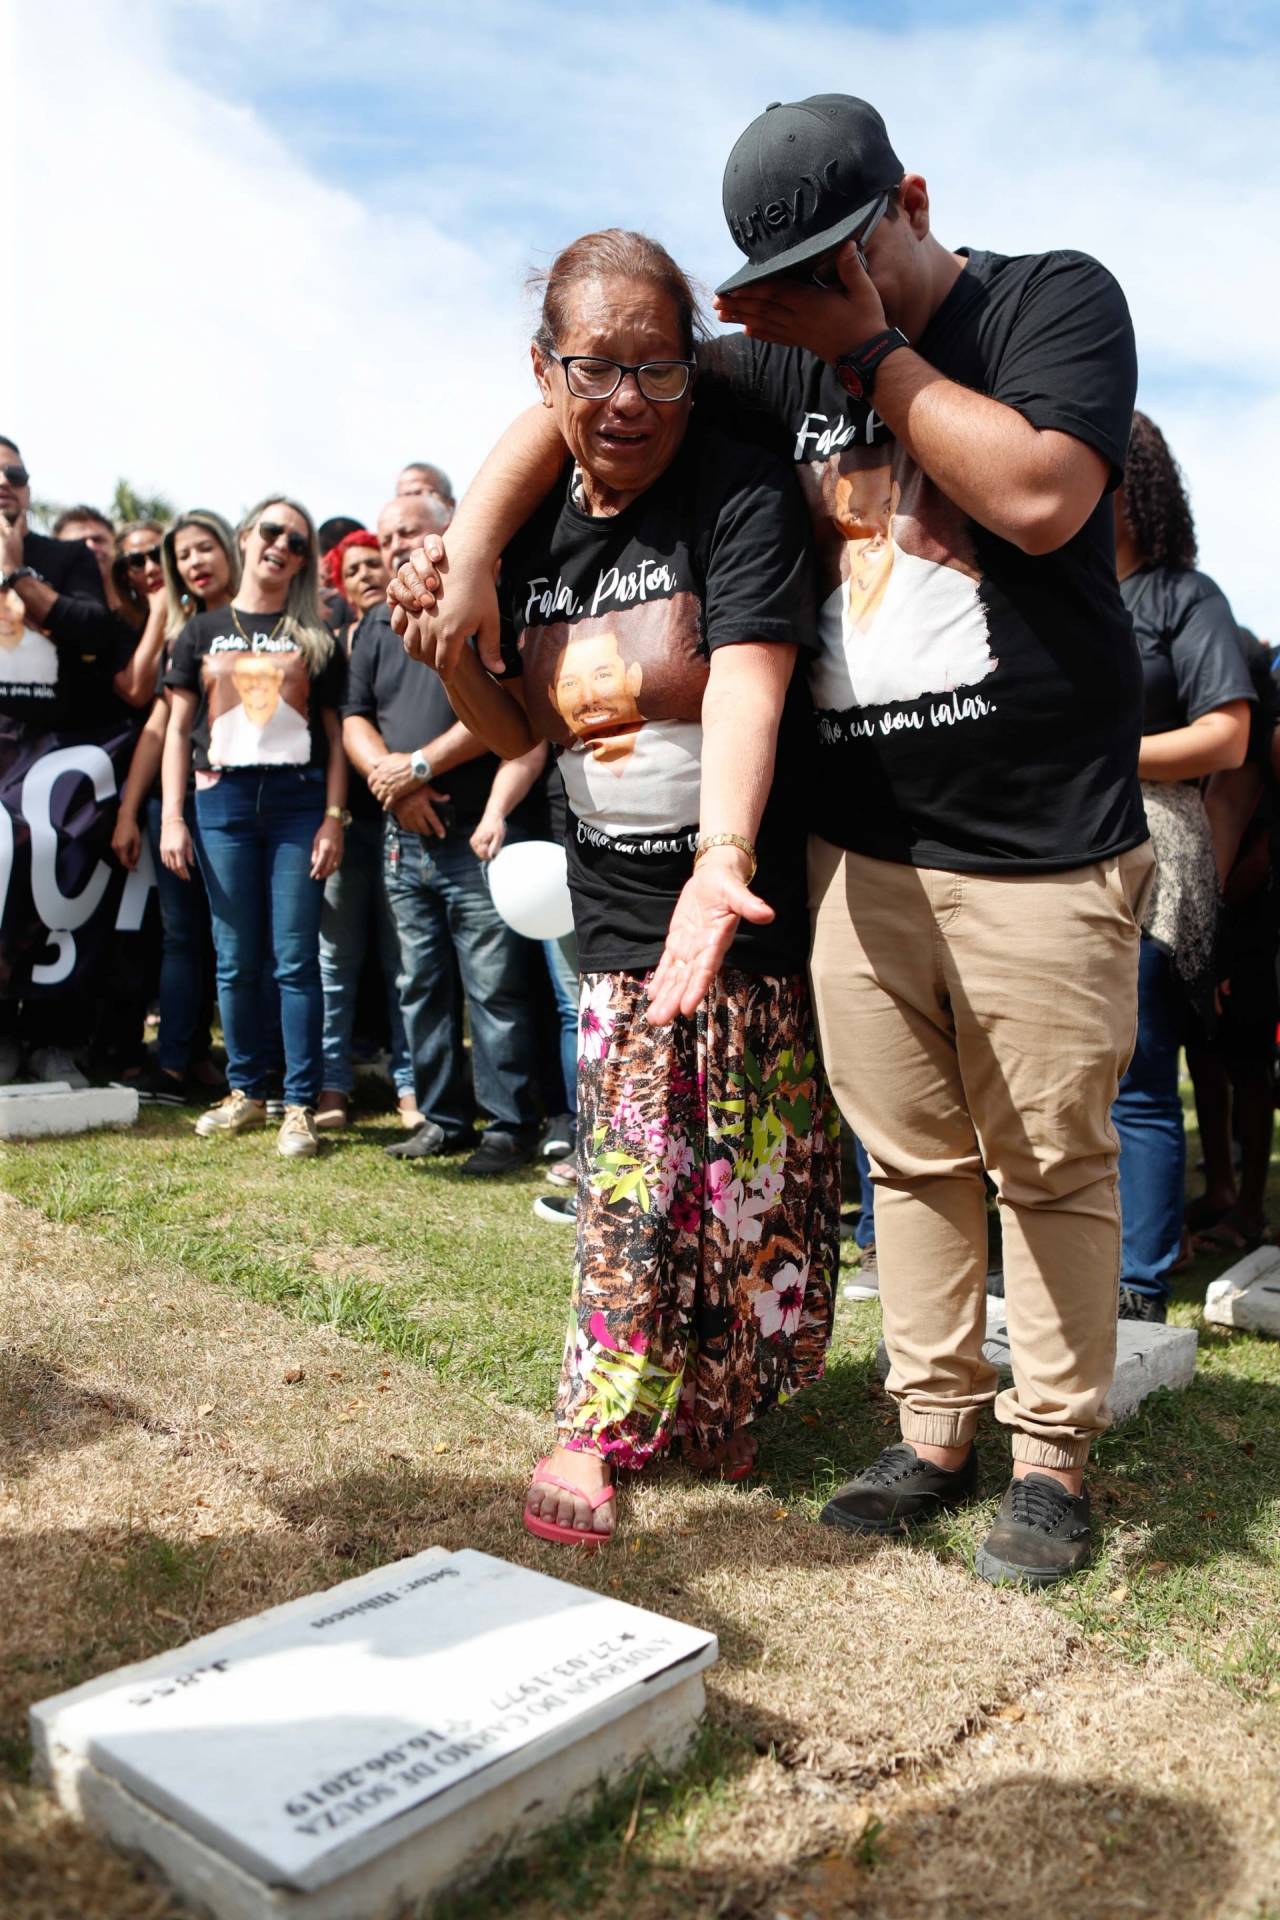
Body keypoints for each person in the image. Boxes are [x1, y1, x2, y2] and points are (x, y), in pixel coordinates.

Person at [389, 96, 1153, 1588]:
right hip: (862, 852)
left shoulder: (1049, 298)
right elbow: (595, 391)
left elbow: (1046, 498)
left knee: (1047, 1160)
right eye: (787, 278)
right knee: (916, 1162)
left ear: (913, 199)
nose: (813, 295)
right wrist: (476, 548)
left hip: (1040, 839)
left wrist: (866, 344)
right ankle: (935, 1432)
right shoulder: (774, 356)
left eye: (841, 256)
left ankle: (1053, 1459)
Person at [394, 228, 839, 1547]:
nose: (627, 400)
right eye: (595, 370)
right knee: (634, 1170)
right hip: (613, 898)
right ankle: (599, 1423)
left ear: (694, 370)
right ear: (545, 373)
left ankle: (719, 1402)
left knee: (752, 1176)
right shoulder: (533, 526)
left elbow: (755, 675)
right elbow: (516, 720)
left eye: (657, 367)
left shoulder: (738, 488)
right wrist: (453, 635)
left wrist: (725, 862)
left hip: (743, 883)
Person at [344, 496, 545, 1176]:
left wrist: (419, 766)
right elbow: (353, 719)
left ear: (449, 529)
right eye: (390, 532)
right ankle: (442, 1118)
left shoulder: (483, 601)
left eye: (413, 529)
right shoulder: (376, 624)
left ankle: (510, 1127)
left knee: (494, 988)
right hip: (404, 837)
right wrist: (391, 783)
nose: (400, 541)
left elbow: (508, 715)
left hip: (473, 835)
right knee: (420, 985)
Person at [1110, 414, 1253, 1319]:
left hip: (1155, 852)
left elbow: (1229, 736)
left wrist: (1107, 755)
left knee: (1138, 1068)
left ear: (1134, 487)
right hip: (1050, 854)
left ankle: (1138, 1282)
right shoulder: (1058, 593)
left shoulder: (1180, 598)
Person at [162, 496, 347, 1159]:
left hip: (299, 806)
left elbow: (334, 736)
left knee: (295, 959)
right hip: (222, 806)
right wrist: (174, 818)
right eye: (272, 531)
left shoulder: (316, 634)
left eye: (297, 542)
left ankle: (299, 1103)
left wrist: (333, 819)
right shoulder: (200, 629)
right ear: (245, 536)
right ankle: (247, 1090)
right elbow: (179, 729)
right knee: (235, 959)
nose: (282, 546)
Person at [0, 435, 117, 1087]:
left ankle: (53, 1039)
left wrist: (17, 572)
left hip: (55, 750)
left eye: (15, 473)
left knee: (60, 873)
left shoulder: (66, 558)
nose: (4, 482)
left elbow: (97, 634)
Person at [112, 511, 240, 1103]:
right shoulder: (183, 632)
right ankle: (175, 1065)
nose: (194, 562)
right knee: (184, 938)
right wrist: (130, 811)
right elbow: (158, 729)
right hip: (183, 805)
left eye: (204, 548)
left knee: (240, 940)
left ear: (229, 550)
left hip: (265, 806)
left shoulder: (282, 619)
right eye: (183, 556)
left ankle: (235, 1069)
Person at [313, 529, 419, 1132]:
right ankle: (331, 1086)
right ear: (339, 581)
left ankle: (411, 1088)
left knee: (403, 963)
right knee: (336, 960)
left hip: (406, 817)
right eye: (350, 569)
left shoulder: (405, 632)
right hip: (345, 823)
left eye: (371, 564)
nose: (364, 576)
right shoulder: (331, 646)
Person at [1189, 627, 1279, 1256]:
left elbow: (1260, 838)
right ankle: (1221, 1188)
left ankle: (1249, 1205)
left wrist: (1223, 909)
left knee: (1249, 1065)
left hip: (1249, 913)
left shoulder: (1257, 748)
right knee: (1205, 1056)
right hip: (1212, 906)